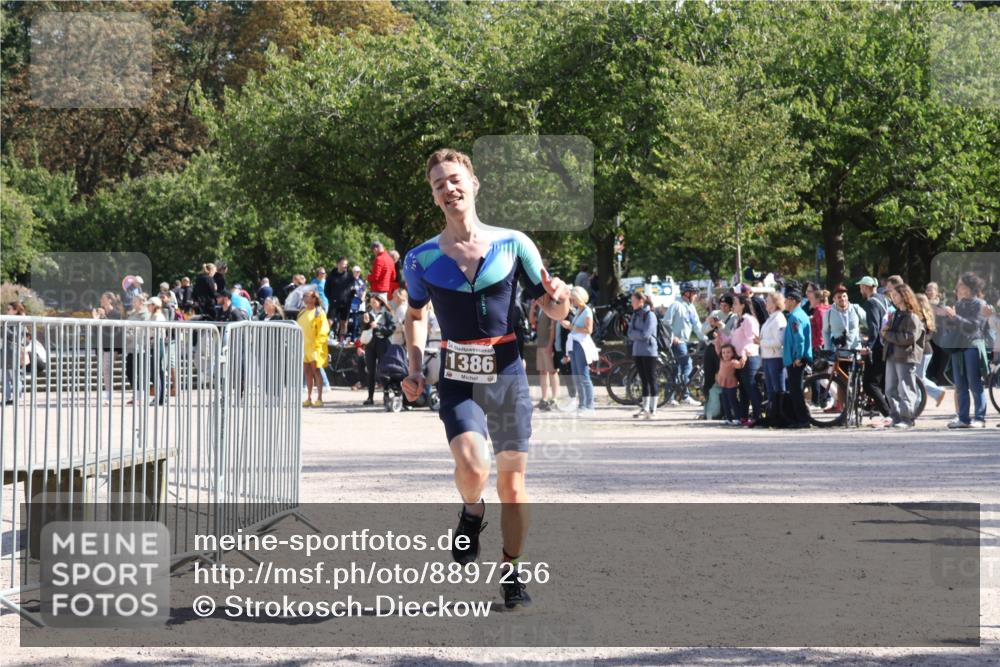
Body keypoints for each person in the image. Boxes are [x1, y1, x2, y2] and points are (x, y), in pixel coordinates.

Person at [401, 148, 570, 610]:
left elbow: (551, 306)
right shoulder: (421, 259)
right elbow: (415, 316)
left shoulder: (514, 243)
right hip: (457, 374)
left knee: (513, 487)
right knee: (474, 467)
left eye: (455, 179)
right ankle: (471, 511)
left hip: (508, 372)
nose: (449, 188)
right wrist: (415, 367)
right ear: (434, 198)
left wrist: (562, 300)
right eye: (439, 184)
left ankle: (511, 570)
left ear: (473, 184)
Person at [940, 272, 988, 428]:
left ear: (970, 287)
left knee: (975, 383)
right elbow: (953, 327)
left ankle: (980, 418)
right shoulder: (959, 304)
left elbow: (973, 326)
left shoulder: (980, 304)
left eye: (961, 285)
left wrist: (955, 317)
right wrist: (947, 317)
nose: (958, 288)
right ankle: (963, 417)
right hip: (958, 347)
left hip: (972, 345)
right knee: (960, 385)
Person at [881, 284, 925, 429]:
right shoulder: (895, 314)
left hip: (905, 356)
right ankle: (896, 416)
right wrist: (885, 332)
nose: (893, 296)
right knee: (889, 389)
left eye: (896, 294)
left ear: (905, 296)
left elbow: (909, 338)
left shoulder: (912, 316)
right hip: (892, 354)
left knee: (905, 388)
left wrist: (887, 334)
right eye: (892, 294)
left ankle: (907, 418)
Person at [857, 276, 892, 419]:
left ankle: (888, 414)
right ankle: (893, 413)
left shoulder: (871, 302)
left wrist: (869, 346)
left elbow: (874, 327)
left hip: (878, 348)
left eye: (861, 287)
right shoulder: (884, 299)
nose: (860, 289)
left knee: (869, 384)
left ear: (865, 287)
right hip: (887, 345)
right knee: (884, 383)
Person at [665, 282, 705, 406]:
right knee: (687, 365)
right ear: (686, 293)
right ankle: (685, 395)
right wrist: (672, 337)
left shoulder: (690, 307)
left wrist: (706, 339)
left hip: (685, 341)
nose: (695, 296)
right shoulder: (676, 305)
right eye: (694, 293)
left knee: (676, 368)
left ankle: (671, 396)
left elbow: (697, 326)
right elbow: (665, 323)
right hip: (677, 342)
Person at [725, 294, 762, 426]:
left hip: (749, 358)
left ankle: (758, 416)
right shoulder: (737, 320)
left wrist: (744, 353)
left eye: (735, 303)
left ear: (743, 305)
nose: (733, 306)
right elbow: (732, 339)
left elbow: (753, 340)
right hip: (739, 358)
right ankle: (744, 416)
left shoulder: (749, 320)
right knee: (744, 390)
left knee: (751, 387)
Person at [560, 286, 598, 417]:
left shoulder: (587, 311)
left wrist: (570, 326)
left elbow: (589, 330)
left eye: (573, 299)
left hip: (581, 345)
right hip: (574, 344)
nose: (572, 301)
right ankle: (582, 405)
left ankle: (589, 406)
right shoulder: (578, 311)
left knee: (583, 376)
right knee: (577, 377)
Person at [782, 290, 813, 429]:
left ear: (793, 300)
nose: (784, 302)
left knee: (796, 391)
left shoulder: (795, 317)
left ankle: (802, 420)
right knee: (796, 389)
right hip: (796, 357)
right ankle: (802, 417)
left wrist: (798, 356)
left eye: (787, 299)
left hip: (796, 359)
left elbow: (799, 339)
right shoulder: (800, 314)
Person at [627, 291, 658, 419]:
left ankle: (653, 409)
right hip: (637, 351)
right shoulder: (635, 315)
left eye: (634, 301)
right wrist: (636, 334)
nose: (632, 303)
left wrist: (635, 334)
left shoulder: (650, 315)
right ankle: (644, 407)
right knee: (643, 380)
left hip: (649, 351)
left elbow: (646, 334)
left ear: (641, 301)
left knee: (651, 379)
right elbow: (629, 333)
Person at [297, 290, 330, 407]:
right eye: (304, 296)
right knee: (307, 372)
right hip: (304, 347)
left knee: (316, 371)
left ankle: (320, 398)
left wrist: (318, 345)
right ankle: (309, 398)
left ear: (314, 298)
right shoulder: (302, 312)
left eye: (307, 296)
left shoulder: (319, 312)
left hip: (314, 347)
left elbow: (324, 330)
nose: (305, 298)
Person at [360, 294, 394, 406]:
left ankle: (386, 396)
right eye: (371, 302)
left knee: (383, 370)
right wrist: (365, 323)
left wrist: (378, 327)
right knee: (370, 371)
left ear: (380, 302)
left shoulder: (386, 314)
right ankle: (370, 397)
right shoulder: (368, 314)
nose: (372, 304)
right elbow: (363, 330)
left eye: (374, 302)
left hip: (382, 344)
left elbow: (391, 329)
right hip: (370, 344)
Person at [914, 292, 945, 408]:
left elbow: (929, 335)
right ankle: (937, 393)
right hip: (924, 351)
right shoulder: (923, 315)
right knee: (918, 377)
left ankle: (919, 402)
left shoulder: (925, 316)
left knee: (918, 378)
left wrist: (918, 340)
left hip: (924, 351)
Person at [759, 292, 787, 417]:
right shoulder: (770, 318)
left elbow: (778, 341)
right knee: (770, 390)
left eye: (768, 301)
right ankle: (773, 415)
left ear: (775, 303)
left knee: (778, 389)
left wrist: (761, 342)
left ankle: (781, 414)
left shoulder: (778, 319)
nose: (766, 303)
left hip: (775, 358)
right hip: (767, 357)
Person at [530, 296, 559, 411]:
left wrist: (550, 345)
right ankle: (544, 398)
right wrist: (532, 308)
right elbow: (532, 321)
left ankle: (555, 398)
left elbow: (553, 328)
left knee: (552, 371)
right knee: (542, 371)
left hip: (548, 345)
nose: (540, 297)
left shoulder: (552, 307)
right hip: (540, 344)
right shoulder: (540, 308)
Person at [716, 343, 744, 426]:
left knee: (733, 402)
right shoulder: (721, 360)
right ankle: (728, 418)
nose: (725, 354)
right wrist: (717, 339)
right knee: (725, 402)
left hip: (731, 385)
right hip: (723, 385)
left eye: (728, 352)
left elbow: (739, 366)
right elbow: (717, 348)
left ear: (733, 353)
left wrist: (743, 358)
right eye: (723, 352)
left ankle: (738, 418)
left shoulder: (733, 362)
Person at [327, 258, 354, 344]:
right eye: (343, 264)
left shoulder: (350, 276)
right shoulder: (331, 276)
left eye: (346, 264)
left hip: (346, 303)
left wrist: (349, 299)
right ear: (338, 264)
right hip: (334, 302)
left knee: (344, 322)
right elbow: (326, 290)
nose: (345, 266)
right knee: (329, 321)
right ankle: (324, 338)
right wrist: (331, 299)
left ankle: (342, 340)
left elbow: (353, 290)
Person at [349, 265, 367, 341]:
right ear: (353, 272)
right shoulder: (349, 281)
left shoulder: (361, 281)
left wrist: (363, 297)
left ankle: (358, 337)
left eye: (359, 272)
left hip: (361, 303)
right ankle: (352, 337)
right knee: (354, 321)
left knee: (359, 321)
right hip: (352, 303)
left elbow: (365, 290)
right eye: (356, 271)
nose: (358, 273)